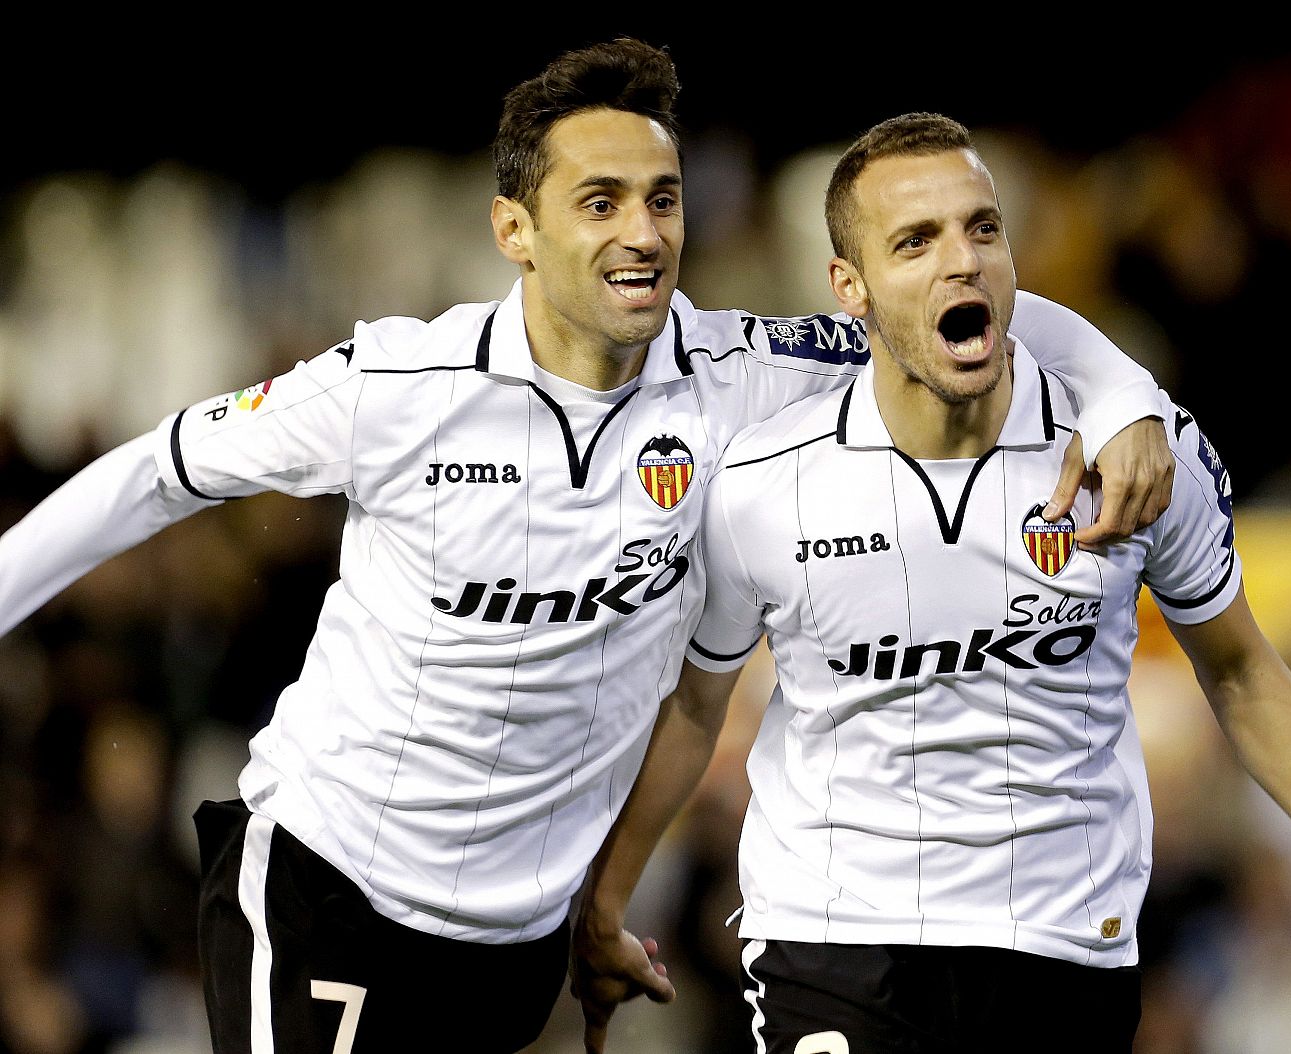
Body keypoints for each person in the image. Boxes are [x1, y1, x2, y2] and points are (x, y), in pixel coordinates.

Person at [0, 43, 1175, 1054]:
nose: (642, 232)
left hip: (517, 946)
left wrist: (1123, 396)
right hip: (327, 889)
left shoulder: (736, 372)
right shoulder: (398, 387)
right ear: (513, 227)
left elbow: (954, 296)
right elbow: (154, 469)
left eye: (662, 199)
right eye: (600, 201)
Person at [571, 112, 1291, 1053]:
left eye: (981, 228)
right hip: (832, 935)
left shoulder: (1137, 457)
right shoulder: (761, 483)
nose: (960, 260)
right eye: (914, 241)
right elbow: (696, 706)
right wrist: (606, 897)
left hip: (1065, 945)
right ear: (849, 287)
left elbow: (1241, 673)